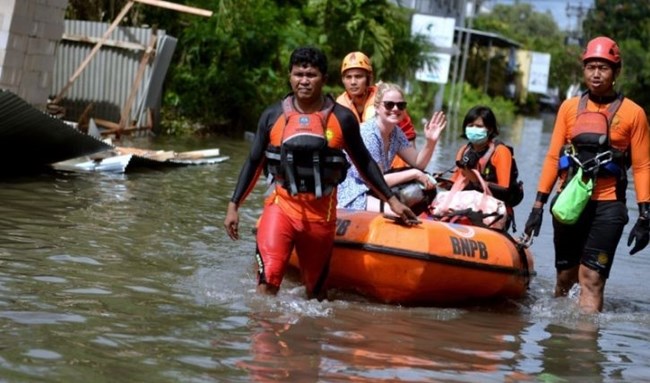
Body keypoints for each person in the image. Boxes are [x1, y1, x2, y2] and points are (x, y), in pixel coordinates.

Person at [224, 46, 419, 299]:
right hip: (281, 207)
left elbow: (365, 163)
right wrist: (234, 205)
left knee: (316, 295)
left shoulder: (343, 118)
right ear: (290, 76)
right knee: (267, 285)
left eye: (311, 75)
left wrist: (392, 201)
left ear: (324, 79)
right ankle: (264, 335)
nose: (304, 80)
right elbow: (253, 162)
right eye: (298, 74)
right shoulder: (272, 116)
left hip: (322, 215)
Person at [523, 36, 650, 313]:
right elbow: (554, 157)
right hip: (569, 202)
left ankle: (584, 352)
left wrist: (645, 215)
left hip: (609, 205)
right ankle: (557, 345)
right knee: (565, 278)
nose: (595, 73)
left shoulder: (634, 114)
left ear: (616, 72)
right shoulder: (569, 108)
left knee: (592, 279)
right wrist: (537, 207)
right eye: (590, 66)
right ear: (583, 70)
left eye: (603, 68)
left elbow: (642, 166)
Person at [337, 82, 446, 213]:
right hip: (353, 192)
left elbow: (418, 163)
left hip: (375, 189)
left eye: (401, 105)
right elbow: (377, 179)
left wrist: (430, 142)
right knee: (397, 213)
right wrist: (415, 174)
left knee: (421, 190)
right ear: (377, 108)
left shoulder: (396, 133)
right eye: (389, 104)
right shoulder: (369, 134)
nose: (395, 109)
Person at [447, 105, 524, 230]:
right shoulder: (464, 151)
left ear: (490, 129)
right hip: (467, 207)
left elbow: (504, 190)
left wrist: (476, 181)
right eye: (470, 125)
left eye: (479, 126)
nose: (473, 129)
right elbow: (454, 183)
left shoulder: (501, 152)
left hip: (494, 211)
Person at [336, 51, 416, 168]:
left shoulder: (388, 100)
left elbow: (408, 134)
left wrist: (412, 166)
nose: (353, 82)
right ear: (343, 80)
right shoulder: (340, 105)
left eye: (358, 76)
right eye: (348, 77)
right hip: (358, 162)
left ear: (368, 79)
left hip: (392, 161)